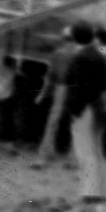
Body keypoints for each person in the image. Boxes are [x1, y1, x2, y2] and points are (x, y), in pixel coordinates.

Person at [61, 21, 106, 206]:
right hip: (98, 104)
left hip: (84, 107)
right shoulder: (99, 55)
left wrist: (74, 110)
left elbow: (78, 87)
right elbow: (104, 84)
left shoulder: (80, 57)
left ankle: (90, 192)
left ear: (75, 37)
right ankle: (101, 189)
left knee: (85, 150)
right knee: (97, 148)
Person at [32, 23, 83, 170]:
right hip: (76, 90)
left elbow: (50, 76)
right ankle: (73, 159)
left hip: (61, 88)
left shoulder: (57, 53)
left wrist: (42, 94)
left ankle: (43, 156)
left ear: (64, 39)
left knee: (52, 123)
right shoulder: (80, 54)